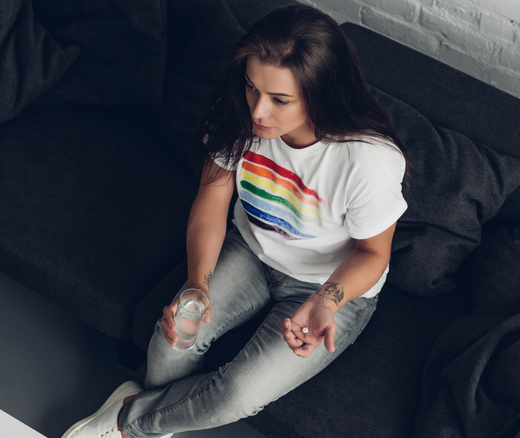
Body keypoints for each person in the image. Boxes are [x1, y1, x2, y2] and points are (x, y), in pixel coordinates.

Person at [62, 4, 408, 437]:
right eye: (251, 88)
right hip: (251, 248)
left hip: (330, 284)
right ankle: (153, 422)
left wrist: (326, 302)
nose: (258, 111)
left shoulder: (368, 160)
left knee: (239, 395)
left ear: (321, 92)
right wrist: (197, 284)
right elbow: (213, 195)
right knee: (171, 345)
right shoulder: (237, 114)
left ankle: (128, 421)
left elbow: (374, 252)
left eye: (280, 100)